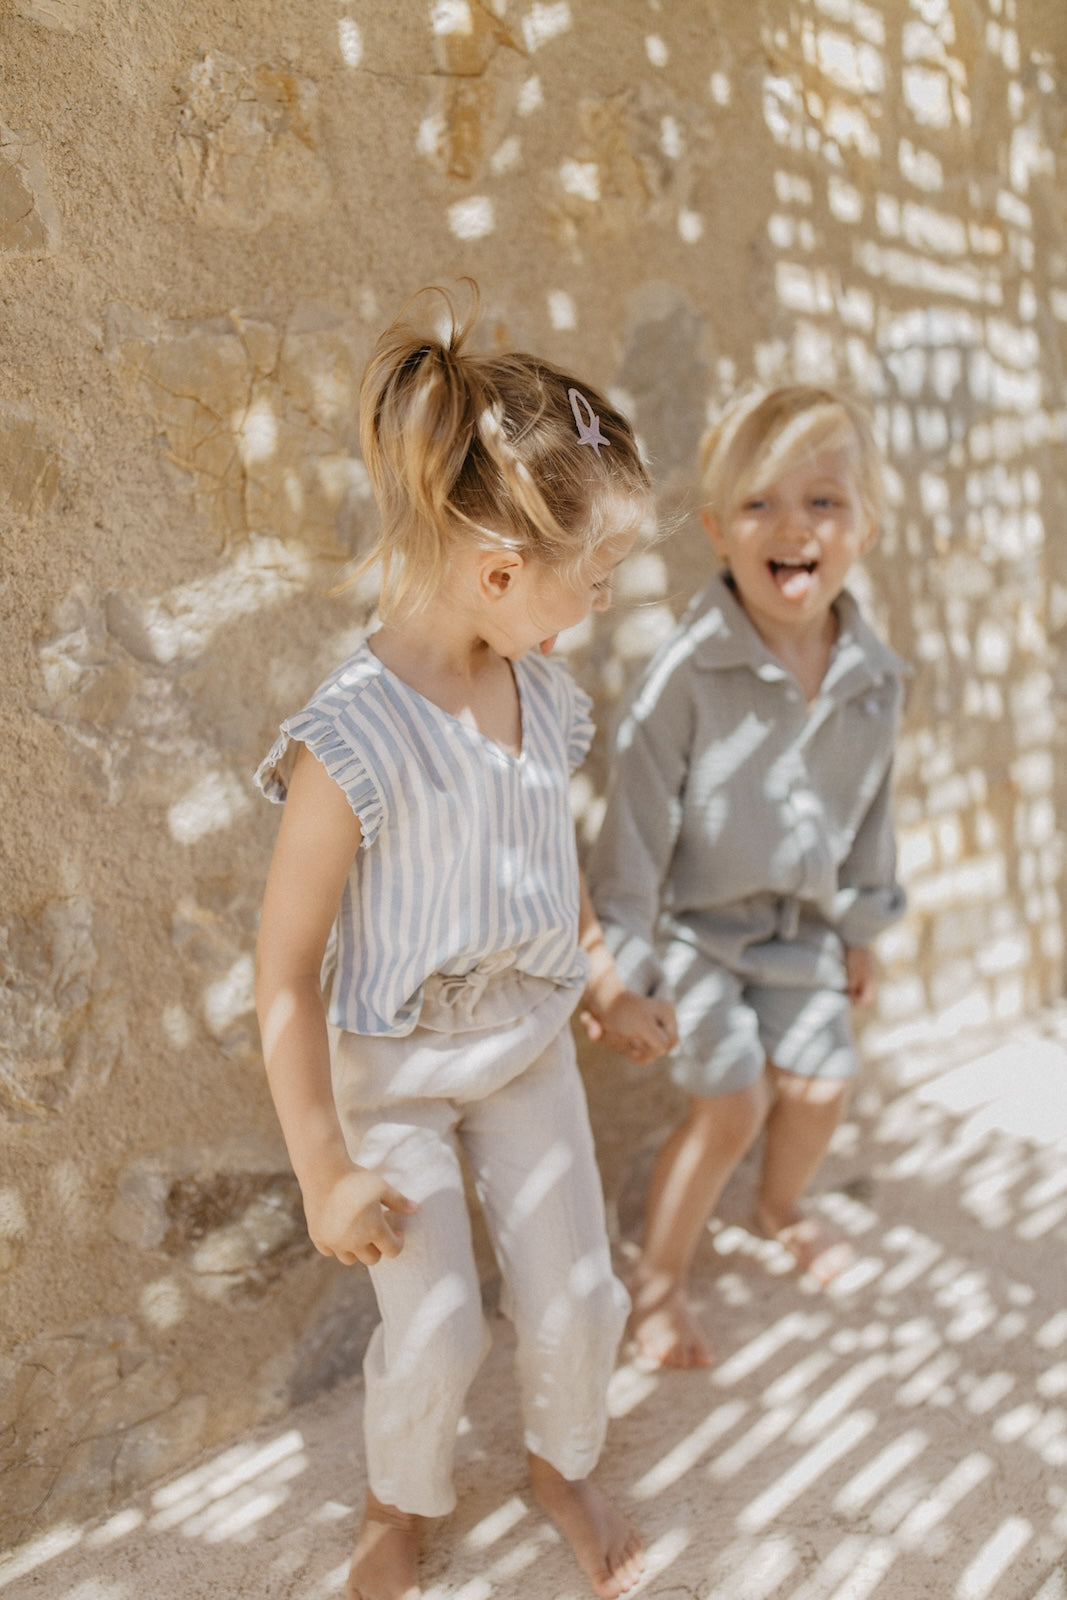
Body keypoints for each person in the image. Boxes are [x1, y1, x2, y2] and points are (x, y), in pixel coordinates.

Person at [253, 283, 677, 1600]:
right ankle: (398, 1499)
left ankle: (561, 1460)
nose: (593, 611)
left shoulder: (540, 700)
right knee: (432, 1331)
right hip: (395, 1074)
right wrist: (323, 1164)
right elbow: (283, 967)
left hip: (528, 1054)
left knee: (575, 1301)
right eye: (588, 584)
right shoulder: (352, 738)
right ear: (498, 572)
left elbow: (552, 879)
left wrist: (602, 988)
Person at [587, 384, 908, 1370]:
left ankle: (780, 1209)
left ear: (863, 526)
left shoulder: (872, 676)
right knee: (730, 1105)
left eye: (821, 501)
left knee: (816, 1086)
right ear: (717, 528)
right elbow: (632, 838)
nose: (792, 526)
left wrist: (857, 927)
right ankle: (658, 1286)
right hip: (691, 931)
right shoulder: (683, 674)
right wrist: (622, 973)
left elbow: (869, 817)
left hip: (800, 932)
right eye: (760, 503)